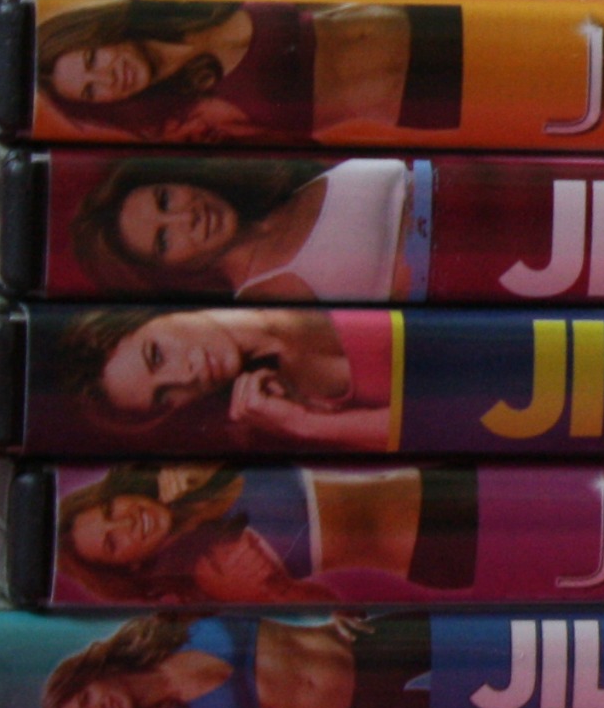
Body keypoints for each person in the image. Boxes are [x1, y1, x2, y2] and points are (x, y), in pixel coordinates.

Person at [30, 0, 464, 143]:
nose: (107, 77)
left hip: (427, 20)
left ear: (101, 33)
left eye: (92, 60)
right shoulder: (188, 119)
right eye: (91, 91)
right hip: (427, 96)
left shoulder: (187, 7)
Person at [54, 463, 477, 606]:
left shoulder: (193, 478)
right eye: (113, 542)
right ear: (129, 565)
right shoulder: (205, 575)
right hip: (437, 551)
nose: (126, 522)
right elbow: (330, 611)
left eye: (110, 510)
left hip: (443, 482)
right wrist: (278, 593)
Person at [39, 611, 432, 708]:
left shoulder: (170, 625)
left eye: (86, 698)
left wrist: (338, 604)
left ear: (94, 673)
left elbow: (273, 586)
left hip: (361, 645)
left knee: (466, 633)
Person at [44, 305, 398, 450]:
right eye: (164, 397)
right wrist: (309, 424)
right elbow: (430, 426)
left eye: (157, 355)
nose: (186, 377)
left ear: (153, 312)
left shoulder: (284, 274)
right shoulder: (277, 414)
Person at [64, 157, 415, 300]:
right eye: (164, 239)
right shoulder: (264, 300)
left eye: (165, 199)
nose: (187, 218)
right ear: (171, 270)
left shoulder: (285, 184)